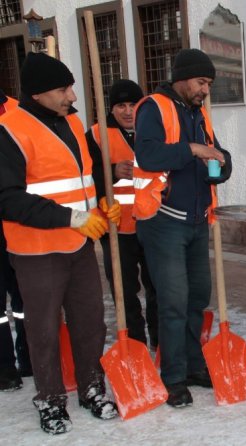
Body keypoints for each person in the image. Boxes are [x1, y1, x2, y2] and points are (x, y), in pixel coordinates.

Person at [0, 52, 119, 434]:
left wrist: (101, 200)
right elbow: (8, 198)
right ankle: (50, 400)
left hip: (80, 243)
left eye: (71, 86)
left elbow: (85, 173)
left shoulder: (71, 120)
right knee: (44, 330)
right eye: (63, 89)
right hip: (37, 249)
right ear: (38, 94)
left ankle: (91, 387)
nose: (72, 95)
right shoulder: (10, 130)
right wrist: (73, 217)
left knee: (90, 323)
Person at [133, 48, 232, 408]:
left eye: (208, 84)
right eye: (202, 82)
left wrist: (223, 161)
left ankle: (192, 365)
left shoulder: (198, 113)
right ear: (183, 77)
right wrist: (192, 150)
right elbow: (148, 155)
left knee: (197, 297)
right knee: (173, 302)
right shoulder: (153, 108)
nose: (206, 89)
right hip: (164, 222)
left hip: (197, 221)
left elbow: (215, 151)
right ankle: (172, 377)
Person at [87, 79, 158, 349]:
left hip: (151, 223)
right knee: (125, 292)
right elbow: (84, 177)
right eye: (121, 105)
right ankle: (136, 344)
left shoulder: (153, 131)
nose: (128, 111)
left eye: (133, 105)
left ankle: (159, 342)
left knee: (158, 288)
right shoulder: (96, 135)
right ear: (112, 108)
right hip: (116, 227)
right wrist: (113, 172)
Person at [0, 88, 32, 392]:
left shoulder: (17, 111)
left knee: (24, 297)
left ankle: (29, 358)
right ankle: (4, 367)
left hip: (17, 221)